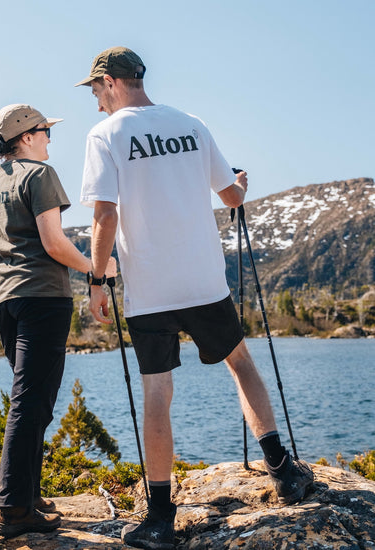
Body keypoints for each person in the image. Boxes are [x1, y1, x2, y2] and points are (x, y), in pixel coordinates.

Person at [76, 47, 314, 550]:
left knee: (158, 394)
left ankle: (160, 520)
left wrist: (97, 281)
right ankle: (285, 473)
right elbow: (230, 197)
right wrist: (241, 184)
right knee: (241, 364)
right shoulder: (192, 124)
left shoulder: (106, 135)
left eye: (96, 90)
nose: (96, 102)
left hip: (149, 291)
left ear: (113, 81)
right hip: (204, 282)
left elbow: (104, 216)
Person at [0, 103, 115, 539]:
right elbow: (54, 244)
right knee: (32, 401)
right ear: (27, 136)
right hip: (41, 297)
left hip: (3, 301)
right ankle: (14, 509)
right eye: (45, 132)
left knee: (30, 398)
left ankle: (28, 495)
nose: (50, 138)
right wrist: (97, 269)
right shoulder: (40, 175)